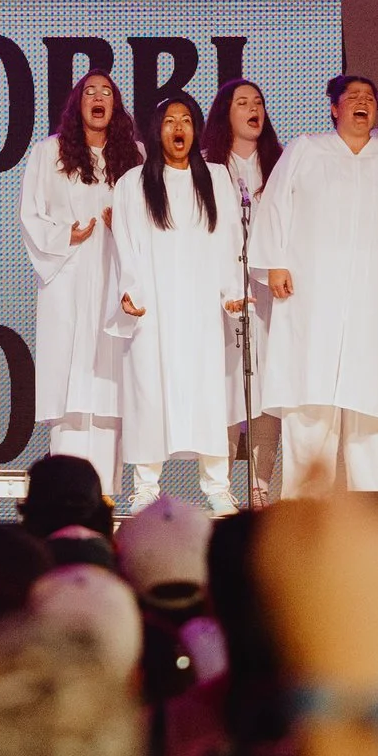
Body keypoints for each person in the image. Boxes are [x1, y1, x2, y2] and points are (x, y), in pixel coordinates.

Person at [252, 75, 378, 495]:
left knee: (374, 416)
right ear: (335, 108)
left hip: (375, 305)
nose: (362, 103)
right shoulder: (306, 150)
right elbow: (274, 207)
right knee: (310, 410)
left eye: (369, 98)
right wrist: (274, 263)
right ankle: (304, 524)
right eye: (353, 98)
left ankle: (374, 521)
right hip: (313, 300)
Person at [111, 91, 244, 513]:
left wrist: (232, 290)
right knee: (150, 391)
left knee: (208, 394)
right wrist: (131, 291)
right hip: (156, 307)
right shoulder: (134, 183)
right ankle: (146, 487)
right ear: (156, 131)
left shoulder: (218, 178)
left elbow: (230, 240)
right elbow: (126, 244)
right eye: (170, 120)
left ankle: (217, 485)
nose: (179, 127)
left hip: (203, 306)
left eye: (186, 119)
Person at [19, 73, 143, 491]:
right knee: (71, 390)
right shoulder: (48, 153)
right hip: (68, 277)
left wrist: (122, 222)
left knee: (111, 389)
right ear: (77, 104)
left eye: (107, 92)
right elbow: (31, 215)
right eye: (90, 91)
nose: (99, 98)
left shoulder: (135, 156)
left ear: (116, 106)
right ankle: (65, 494)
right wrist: (65, 234)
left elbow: (151, 218)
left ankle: (105, 495)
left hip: (115, 274)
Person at [202, 78, 282, 501]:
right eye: (243, 102)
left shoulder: (282, 165)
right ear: (225, 114)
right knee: (228, 383)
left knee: (267, 387)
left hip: (270, 292)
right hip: (222, 292)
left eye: (259, 102)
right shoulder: (206, 167)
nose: (254, 109)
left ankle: (260, 484)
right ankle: (219, 488)